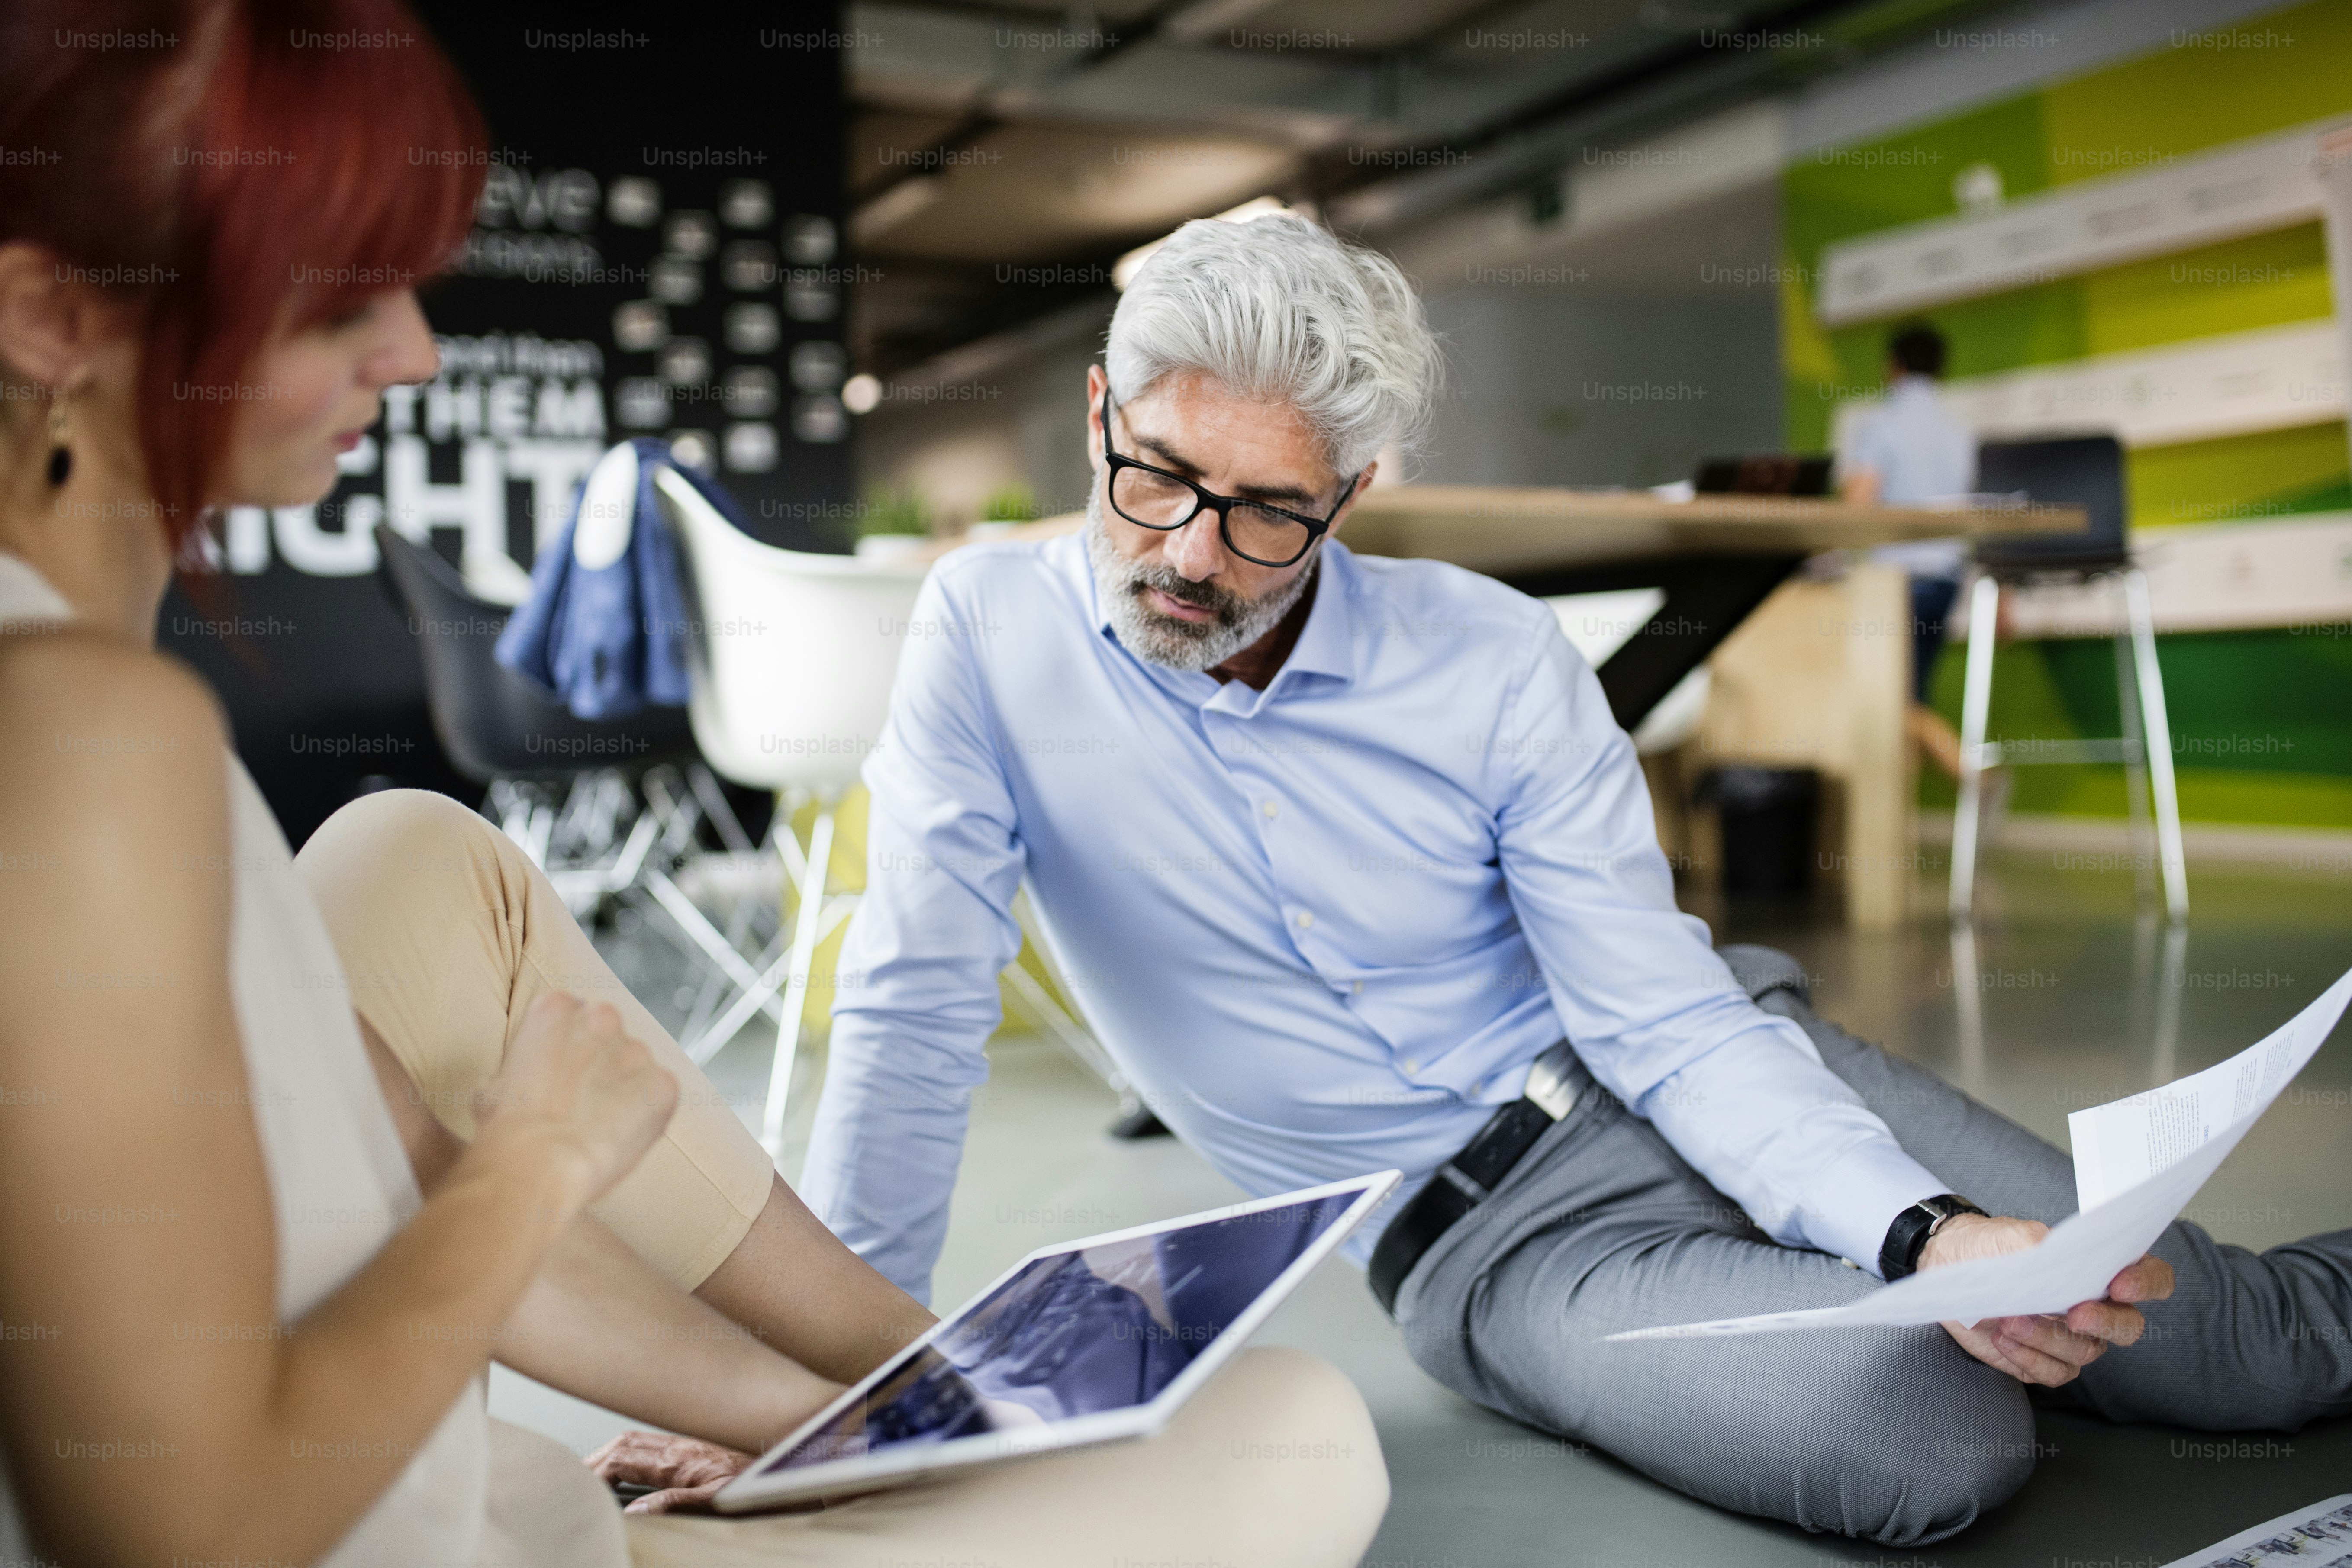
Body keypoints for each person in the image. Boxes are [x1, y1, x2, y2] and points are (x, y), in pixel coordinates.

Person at [0, 6, 1388, 1566]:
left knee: (410, 849)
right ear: (51, 314)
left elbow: (398, 1155)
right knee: (1299, 1430)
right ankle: (935, 1408)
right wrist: (542, 1163)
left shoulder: (82, 698)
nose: (410, 349)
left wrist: (810, 1422)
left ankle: (924, 1376)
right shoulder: (78, 737)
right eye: (332, 301)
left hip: (412, 1435)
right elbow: (169, 1527)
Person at [802, 212, 2352, 1548]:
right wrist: (835, 1385)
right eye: (1159, 476)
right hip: (1499, 1256)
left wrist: (1920, 1231)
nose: (1196, 554)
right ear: (1099, 415)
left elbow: (1665, 1016)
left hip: (1695, 1077)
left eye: (1270, 510)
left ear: (1352, 492)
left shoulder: (1490, 655)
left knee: (2241, 1353)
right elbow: (915, 1005)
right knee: (1936, 1444)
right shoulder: (987, 632)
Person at [1837, 320, 1977, 781]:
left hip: (1898, 579)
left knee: (1891, 697)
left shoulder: (1883, 422)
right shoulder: (1957, 431)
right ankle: (1906, 815)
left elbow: (1860, 497)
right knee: (1910, 693)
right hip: (1947, 576)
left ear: (1891, 365)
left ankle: (1971, 772)